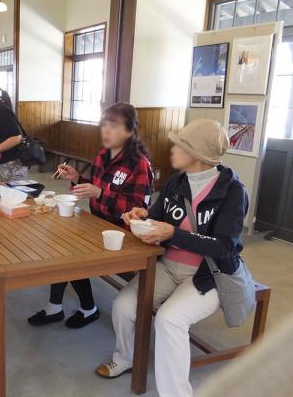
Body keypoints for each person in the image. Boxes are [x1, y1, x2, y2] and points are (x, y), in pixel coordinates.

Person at [95, 119, 248, 397]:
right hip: (167, 266)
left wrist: (172, 233)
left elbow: (225, 247)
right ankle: (125, 358)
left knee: (169, 319)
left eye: (180, 145)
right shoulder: (176, 182)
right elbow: (156, 218)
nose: (172, 149)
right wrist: (140, 216)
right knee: (123, 305)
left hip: (208, 274)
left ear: (198, 155)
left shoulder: (233, 192)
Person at [27, 103, 154, 328]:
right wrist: (77, 179)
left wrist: (100, 193)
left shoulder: (139, 164)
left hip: (123, 235)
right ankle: (56, 307)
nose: (106, 131)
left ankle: (88, 309)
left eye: (113, 126)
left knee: (70, 251)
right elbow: (95, 188)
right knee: (60, 240)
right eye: (104, 125)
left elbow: (137, 212)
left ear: (130, 130)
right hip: (98, 223)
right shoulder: (103, 156)